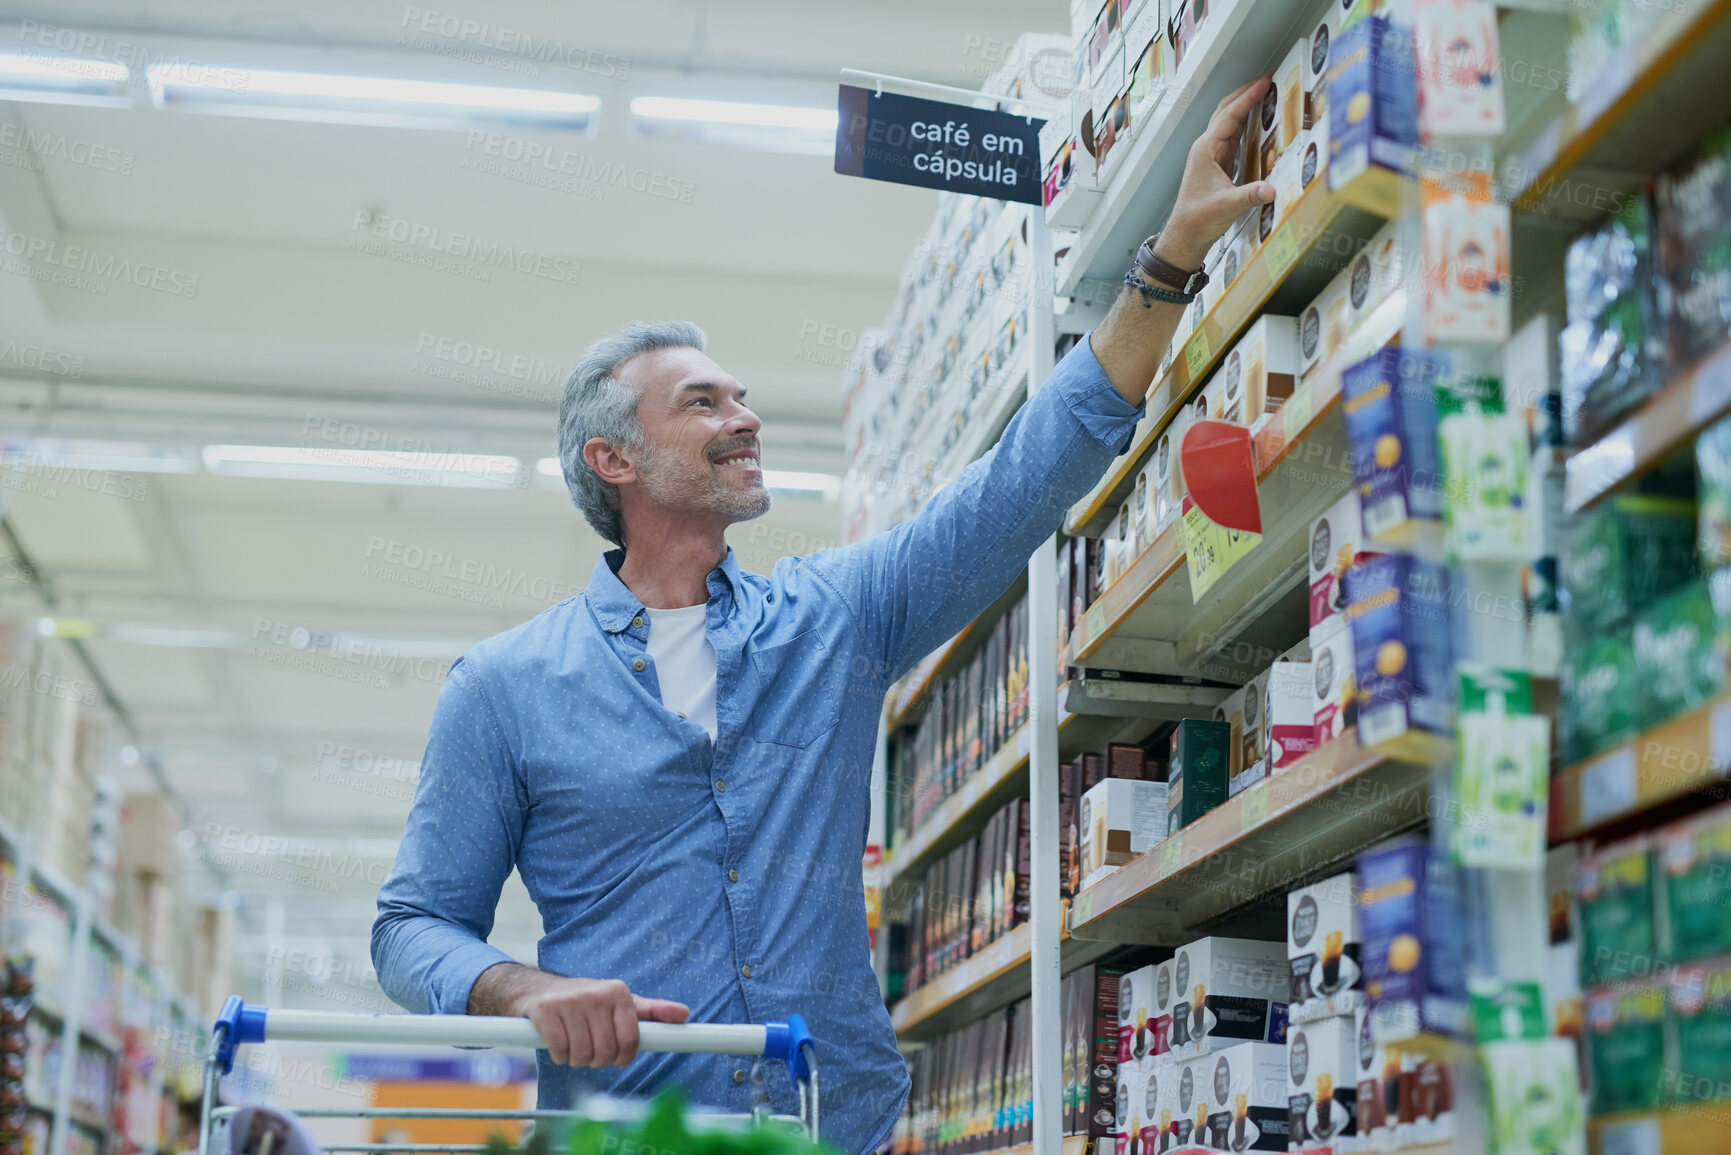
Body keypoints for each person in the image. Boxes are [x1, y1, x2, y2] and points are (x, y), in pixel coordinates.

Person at [372, 76, 1276, 1155]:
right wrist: (518, 989)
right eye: (703, 402)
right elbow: (411, 926)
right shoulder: (503, 688)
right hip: (628, 1132)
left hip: (827, 1124)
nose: (745, 417)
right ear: (611, 460)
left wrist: (1170, 257)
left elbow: (1023, 483)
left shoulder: (833, 617)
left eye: (741, 395)